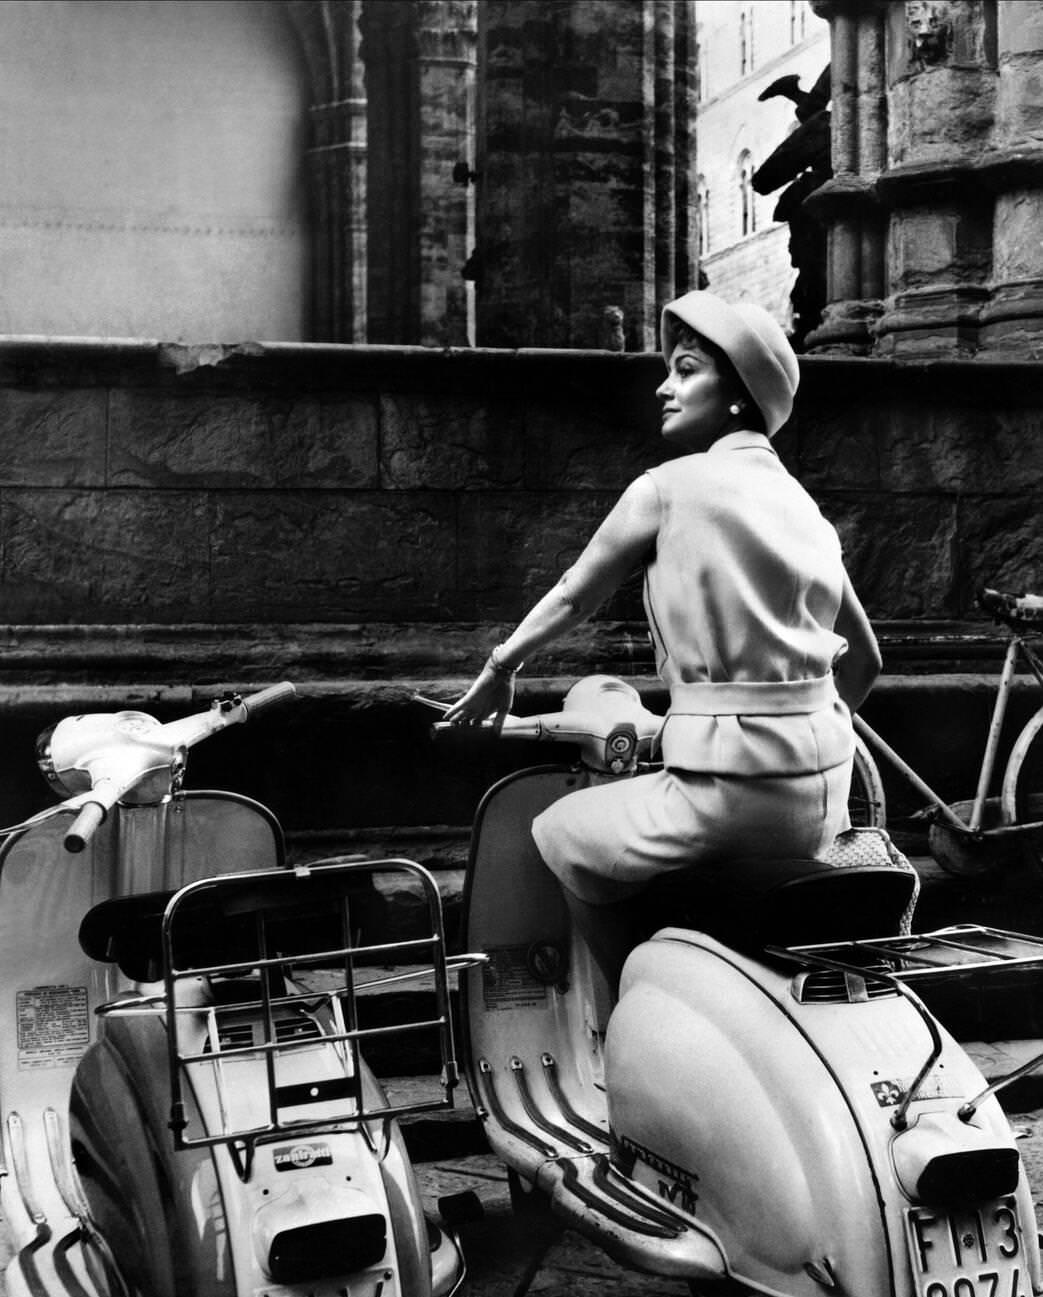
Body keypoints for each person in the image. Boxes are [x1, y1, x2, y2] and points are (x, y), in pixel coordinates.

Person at [445, 290, 881, 985]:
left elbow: (573, 594)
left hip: (724, 798)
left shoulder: (668, 486)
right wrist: (794, 737)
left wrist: (501, 666)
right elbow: (863, 660)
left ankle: (627, 1009)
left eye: (685, 369)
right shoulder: (803, 508)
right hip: (818, 803)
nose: (664, 385)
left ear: (738, 394)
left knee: (560, 834)